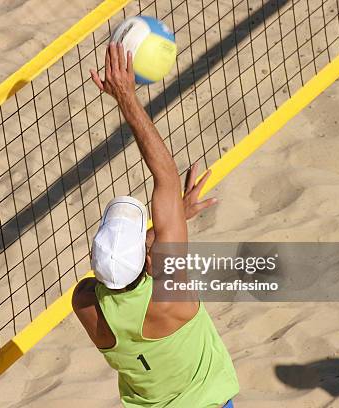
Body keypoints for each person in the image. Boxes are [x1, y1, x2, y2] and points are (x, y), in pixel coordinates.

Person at [72, 42, 239, 407]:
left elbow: (117, 275)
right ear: (148, 259)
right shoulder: (172, 296)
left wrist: (174, 217)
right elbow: (165, 176)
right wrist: (127, 99)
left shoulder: (85, 304)